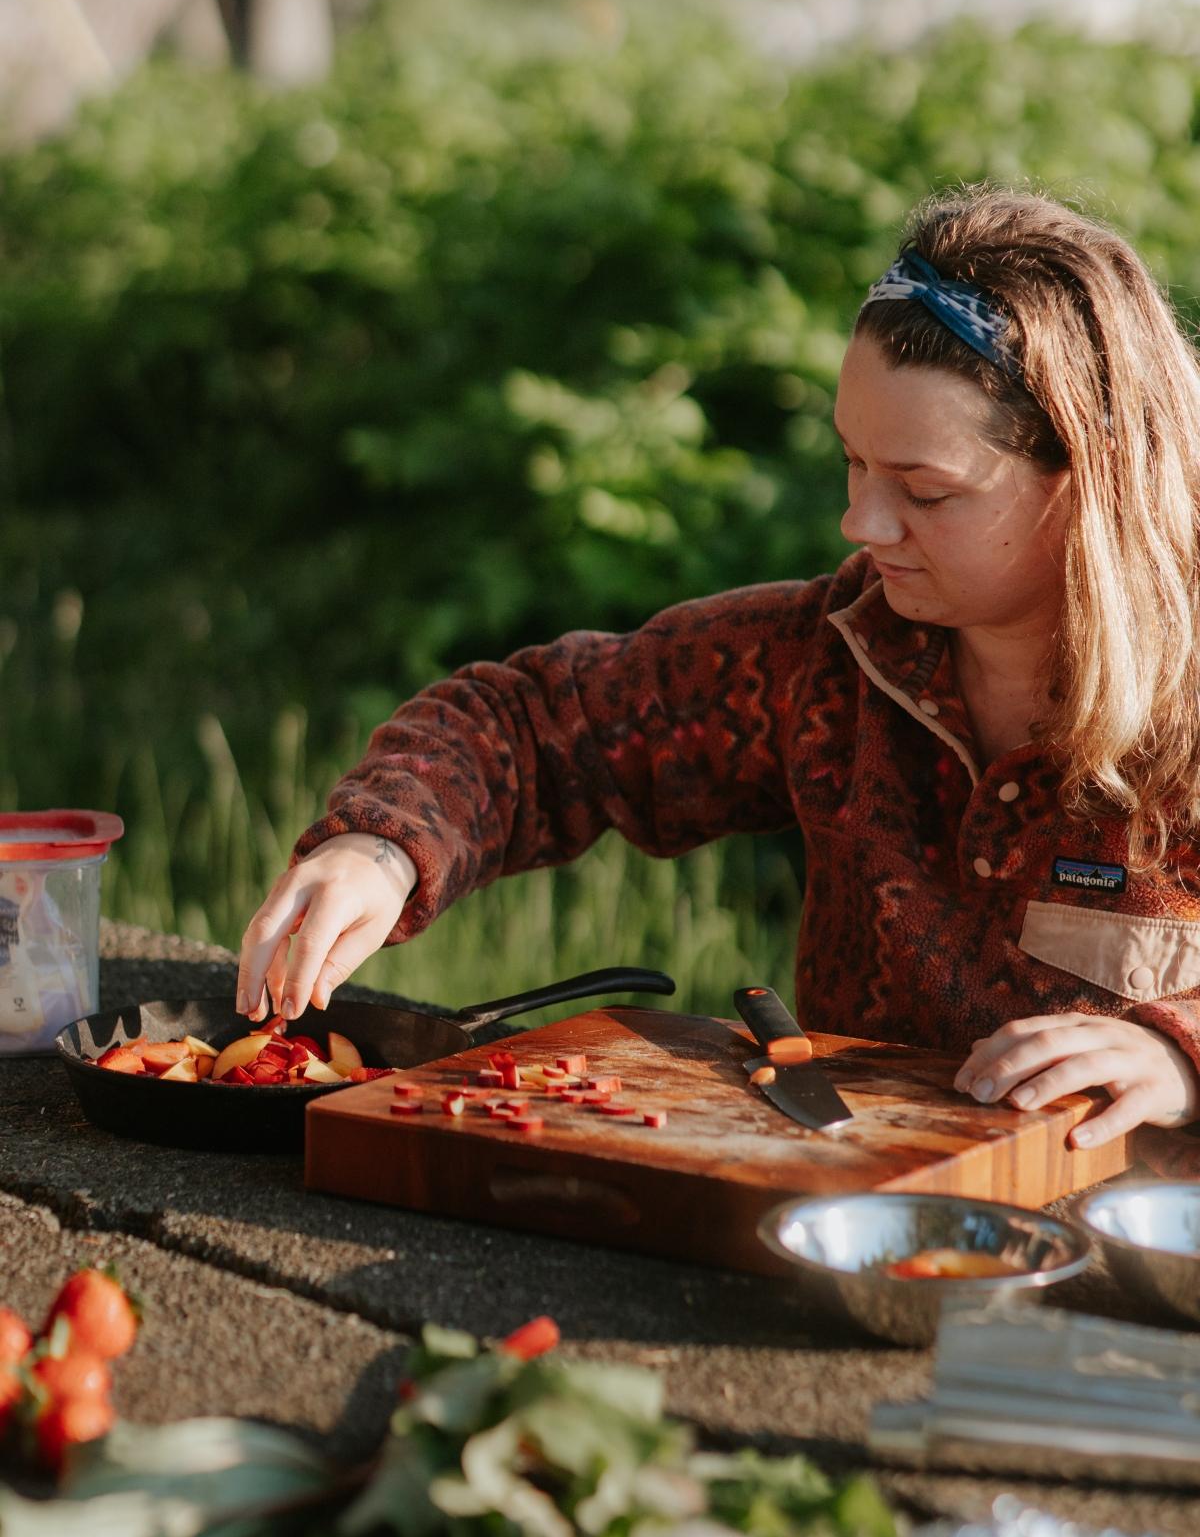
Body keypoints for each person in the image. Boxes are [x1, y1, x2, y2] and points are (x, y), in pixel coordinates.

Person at [237, 184, 1200, 1151]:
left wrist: (1177, 1053)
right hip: (833, 1237)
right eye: (853, 461)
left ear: (1089, 479)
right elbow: (534, 727)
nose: (861, 523)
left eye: (925, 490)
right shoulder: (831, 657)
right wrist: (385, 846)